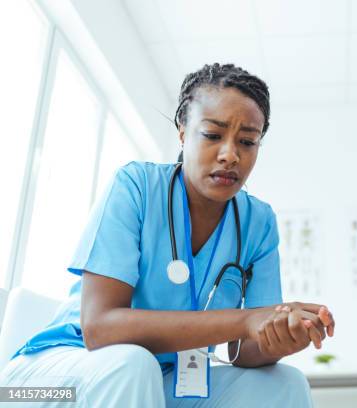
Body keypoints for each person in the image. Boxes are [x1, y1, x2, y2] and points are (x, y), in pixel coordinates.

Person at [0, 63, 335, 407]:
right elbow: (100, 328)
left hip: (160, 379)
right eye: (212, 135)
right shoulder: (136, 187)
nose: (230, 155)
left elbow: (247, 351)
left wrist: (280, 337)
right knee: (132, 364)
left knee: (284, 383)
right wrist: (248, 320)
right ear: (182, 131)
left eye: (248, 141)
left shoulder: (258, 222)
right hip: (53, 377)